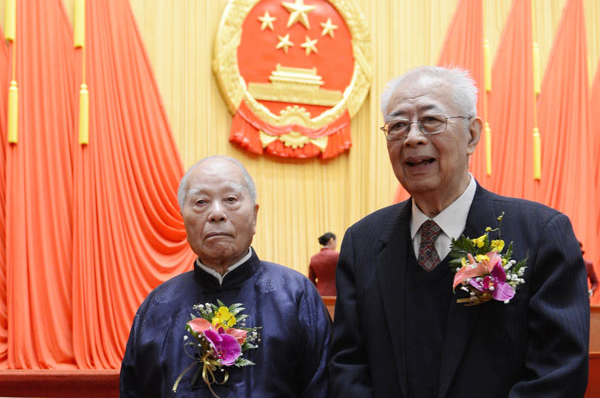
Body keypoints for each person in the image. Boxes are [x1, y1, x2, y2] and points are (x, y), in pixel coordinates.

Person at [329, 66, 590, 397]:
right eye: (396, 126)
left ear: (472, 134)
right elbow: (348, 365)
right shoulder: (362, 241)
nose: (412, 137)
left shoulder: (540, 233)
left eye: (431, 121)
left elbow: (559, 372)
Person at [120, 156, 330, 397]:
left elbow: (323, 387)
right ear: (183, 217)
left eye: (231, 199)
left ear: (254, 214)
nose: (216, 213)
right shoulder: (157, 306)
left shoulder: (296, 297)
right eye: (201, 202)